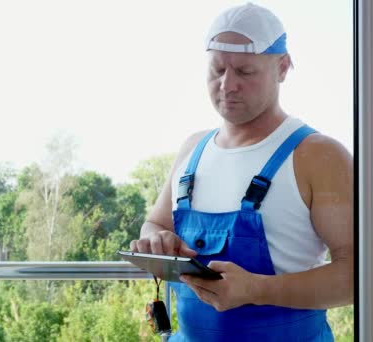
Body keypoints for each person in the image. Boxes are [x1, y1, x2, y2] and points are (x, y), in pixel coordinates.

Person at [129, 2, 353, 341]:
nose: (227, 85)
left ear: (283, 67)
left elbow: (359, 276)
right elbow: (156, 224)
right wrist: (158, 240)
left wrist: (258, 290)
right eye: (217, 70)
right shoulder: (192, 150)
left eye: (245, 72)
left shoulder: (318, 156)